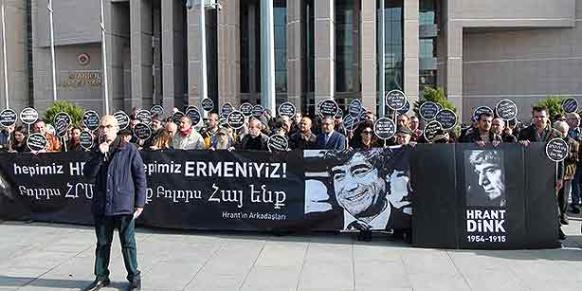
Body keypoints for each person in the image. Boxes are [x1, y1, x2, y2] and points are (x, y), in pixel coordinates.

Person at [82, 115, 146, 291]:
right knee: (102, 243)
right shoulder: (97, 149)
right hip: (102, 205)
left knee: (128, 243)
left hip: (124, 204)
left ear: (117, 129)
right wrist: (98, 155)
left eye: (109, 126)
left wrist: (139, 203)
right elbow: (88, 174)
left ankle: (134, 278)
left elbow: (140, 177)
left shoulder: (129, 149)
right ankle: (101, 277)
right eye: (102, 127)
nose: (104, 130)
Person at [553, 121, 579, 226]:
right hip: (553, 173)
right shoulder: (552, 141)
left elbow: (575, 158)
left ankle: (563, 214)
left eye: (564, 131)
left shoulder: (573, 142)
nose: (562, 134)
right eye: (560, 131)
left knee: (564, 196)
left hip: (567, 173)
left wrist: (565, 153)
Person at [566, 112, 582, 213]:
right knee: (575, 182)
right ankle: (575, 203)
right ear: (569, 120)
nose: (578, 120)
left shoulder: (581, 131)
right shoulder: (566, 132)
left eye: (578, 118)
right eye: (575, 118)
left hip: (581, 161)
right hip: (571, 162)